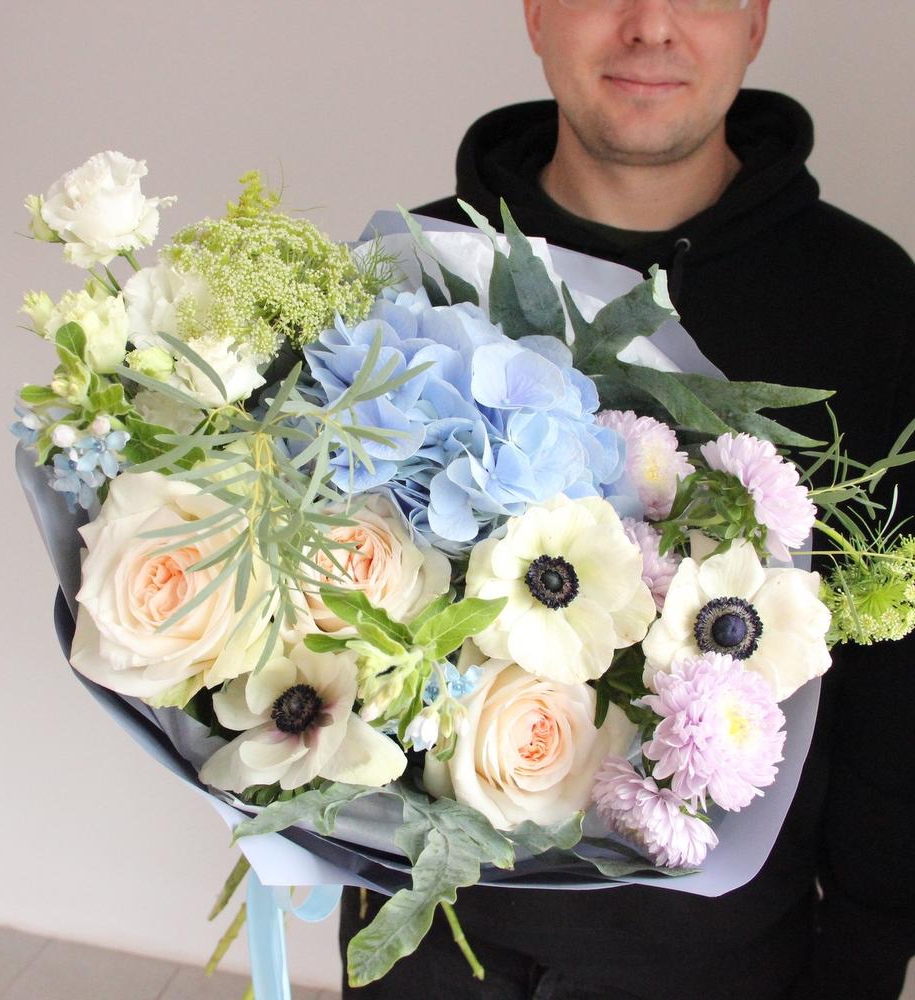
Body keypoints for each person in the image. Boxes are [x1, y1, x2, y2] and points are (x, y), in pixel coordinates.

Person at [339, 1, 915, 998]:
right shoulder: (414, 272)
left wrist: (867, 945)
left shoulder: (866, 299)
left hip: (728, 957)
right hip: (431, 939)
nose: (650, 25)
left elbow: (894, 688)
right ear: (536, 12)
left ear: (755, 20)